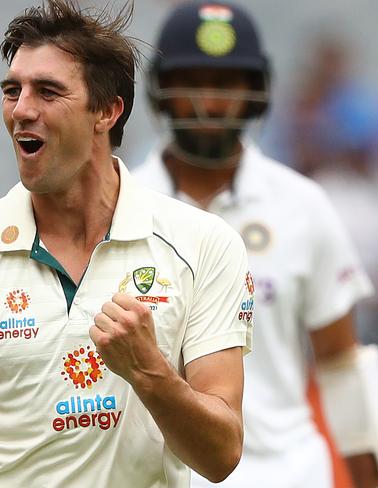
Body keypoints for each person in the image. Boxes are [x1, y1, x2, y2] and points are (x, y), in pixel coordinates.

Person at [0, 1, 254, 486]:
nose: (22, 109)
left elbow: (221, 456)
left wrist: (149, 372)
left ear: (107, 112)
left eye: (47, 91)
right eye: (12, 90)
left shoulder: (203, 245)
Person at [134, 2, 378, 487]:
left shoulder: (302, 205)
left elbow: (341, 365)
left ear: (256, 92)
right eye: (192, 82)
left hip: (287, 474)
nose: (210, 102)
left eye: (227, 84)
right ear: (161, 90)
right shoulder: (122, 207)